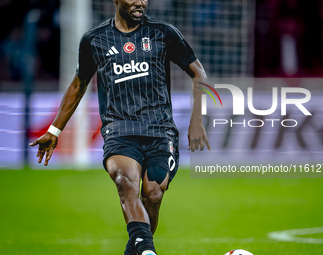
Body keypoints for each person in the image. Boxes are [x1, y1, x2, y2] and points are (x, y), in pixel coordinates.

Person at [29, 0, 210, 254]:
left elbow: (198, 73)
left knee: (153, 194)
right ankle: (148, 250)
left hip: (160, 131)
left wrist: (196, 119)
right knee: (125, 180)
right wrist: (55, 130)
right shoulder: (94, 40)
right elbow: (78, 84)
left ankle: (135, 250)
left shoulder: (163, 32)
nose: (141, 2)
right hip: (119, 131)